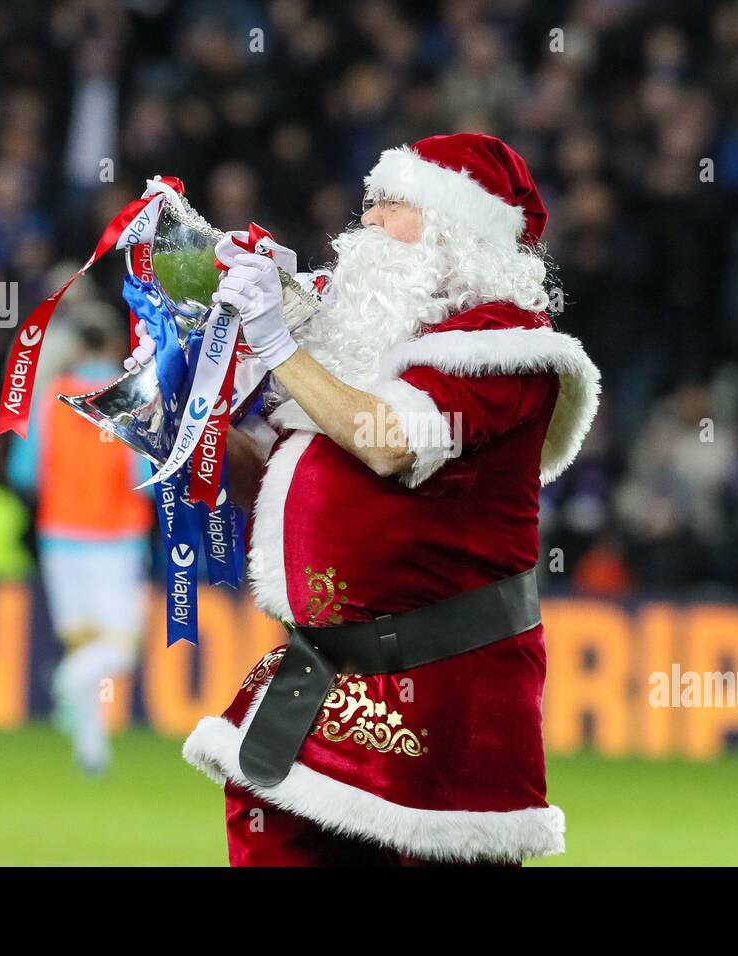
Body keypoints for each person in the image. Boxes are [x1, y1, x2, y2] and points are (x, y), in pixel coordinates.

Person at [127, 133, 599, 865]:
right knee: (267, 827)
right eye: (370, 202)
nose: (368, 221)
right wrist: (188, 426)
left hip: (444, 682)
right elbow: (298, 489)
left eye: (396, 204)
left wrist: (281, 349)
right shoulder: (357, 353)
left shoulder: (505, 347)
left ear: (460, 232)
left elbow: (387, 442)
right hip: (326, 670)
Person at [7, 307, 154, 774]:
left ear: (76, 349)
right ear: (113, 348)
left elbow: (23, 472)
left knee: (85, 642)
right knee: (120, 648)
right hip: (116, 539)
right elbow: (145, 476)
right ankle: (67, 684)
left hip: (60, 537)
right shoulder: (127, 396)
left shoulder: (51, 397)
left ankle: (91, 750)